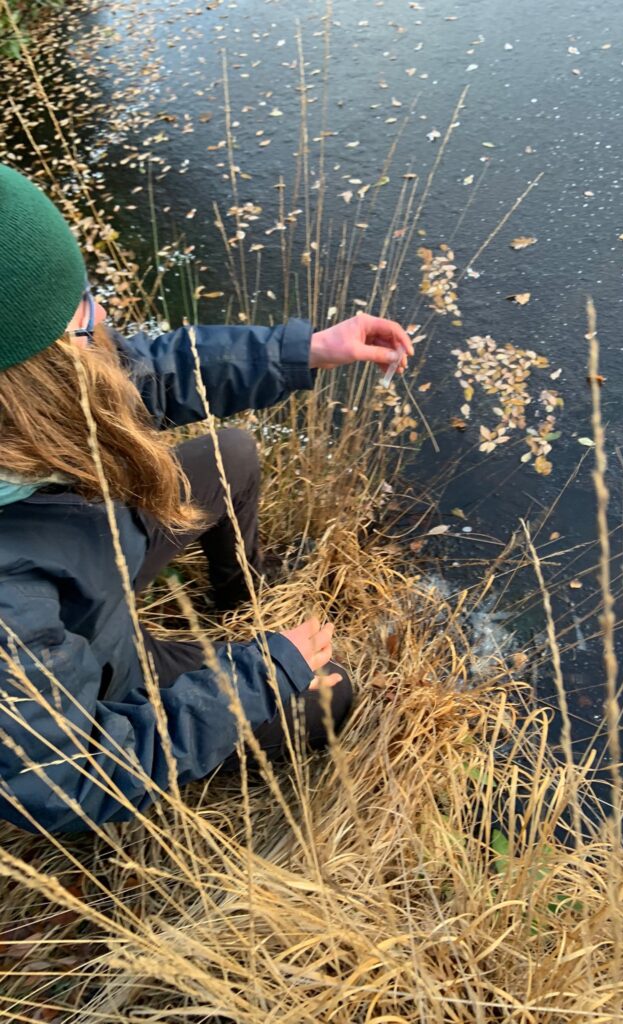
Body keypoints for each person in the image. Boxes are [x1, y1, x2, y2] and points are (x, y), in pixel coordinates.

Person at [0, 163, 413, 834]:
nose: (99, 314)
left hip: (93, 558)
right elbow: (70, 777)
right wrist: (261, 672)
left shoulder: (36, 408)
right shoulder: (7, 604)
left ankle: (240, 594)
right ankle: (228, 673)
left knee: (235, 455)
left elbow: (148, 373)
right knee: (329, 692)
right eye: (80, 316)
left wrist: (303, 351)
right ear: (30, 393)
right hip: (102, 664)